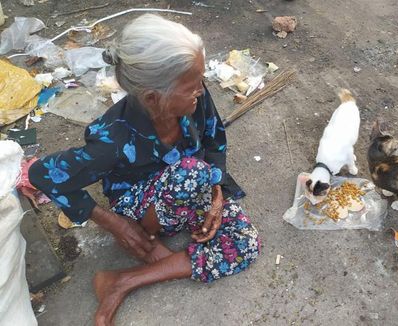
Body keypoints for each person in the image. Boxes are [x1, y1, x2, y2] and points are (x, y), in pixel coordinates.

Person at [29, 14, 260, 325]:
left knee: (245, 241)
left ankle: (123, 280)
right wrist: (115, 224)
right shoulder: (112, 140)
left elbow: (215, 137)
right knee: (191, 170)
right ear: (154, 97)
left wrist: (217, 195)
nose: (202, 92)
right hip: (140, 206)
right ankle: (150, 241)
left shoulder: (195, 99)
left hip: (187, 187)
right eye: (192, 86)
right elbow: (41, 173)